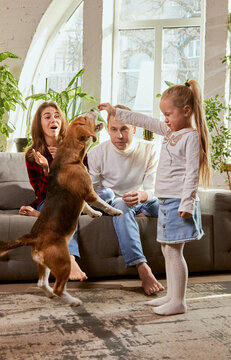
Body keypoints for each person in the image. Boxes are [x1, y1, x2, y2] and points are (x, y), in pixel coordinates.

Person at [98, 80, 209, 316]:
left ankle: (179, 301)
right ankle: (172, 295)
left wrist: (187, 202)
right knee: (168, 250)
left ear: (186, 111)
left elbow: (192, 173)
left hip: (180, 202)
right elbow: (145, 121)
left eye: (169, 114)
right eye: (163, 115)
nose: (165, 119)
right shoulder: (170, 131)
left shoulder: (190, 137)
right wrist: (115, 112)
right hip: (167, 201)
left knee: (174, 251)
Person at [87, 104, 164, 296]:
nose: (119, 136)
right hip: (116, 203)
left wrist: (143, 196)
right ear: (107, 129)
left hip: (145, 200)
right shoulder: (97, 153)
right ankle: (142, 267)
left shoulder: (149, 150)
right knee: (121, 205)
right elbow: (92, 191)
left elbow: (153, 188)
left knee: (169, 204)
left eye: (124, 129)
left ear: (134, 128)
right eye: (113, 129)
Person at [19, 101, 88, 281]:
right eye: (47, 117)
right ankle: (70, 258)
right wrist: (47, 169)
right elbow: (42, 193)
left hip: (76, 197)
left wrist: (65, 162)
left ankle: (40, 215)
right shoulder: (31, 156)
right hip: (51, 201)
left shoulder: (76, 146)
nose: (53, 120)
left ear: (62, 121)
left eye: (57, 116)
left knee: (107, 195)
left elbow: (84, 182)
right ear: (40, 124)